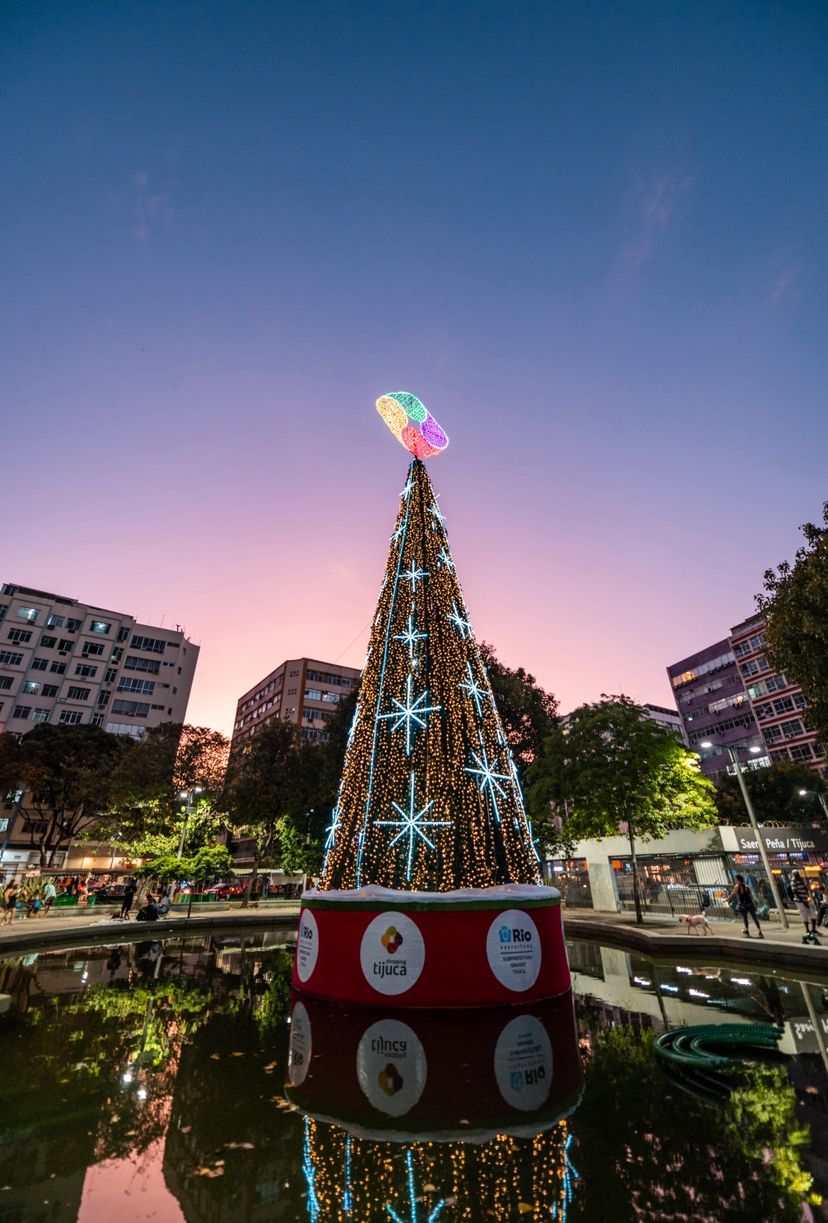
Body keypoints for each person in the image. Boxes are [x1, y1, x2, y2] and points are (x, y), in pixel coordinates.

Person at [791, 871, 819, 939]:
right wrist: (804, 902)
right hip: (800, 901)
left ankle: (813, 929)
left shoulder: (801, 880)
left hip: (806, 899)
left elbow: (805, 889)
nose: (797, 875)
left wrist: (806, 886)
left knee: (813, 914)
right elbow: (796, 893)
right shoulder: (793, 882)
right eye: (796, 874)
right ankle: (807, 929)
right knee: (804, 914)